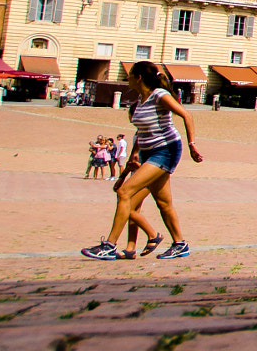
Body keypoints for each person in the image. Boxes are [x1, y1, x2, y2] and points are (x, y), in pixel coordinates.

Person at [82, 61, 200, 261]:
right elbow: (141, 130)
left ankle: (109, 246)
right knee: (163, 203)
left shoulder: (160, 95)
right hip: (148, 152)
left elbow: (186, 115)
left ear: (139, 78)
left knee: (124, 192)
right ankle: (180, 244)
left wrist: (192, 144)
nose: (126, 79)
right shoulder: (141, 98)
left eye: (129, 76)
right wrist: (135, 153)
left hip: (166, 150)